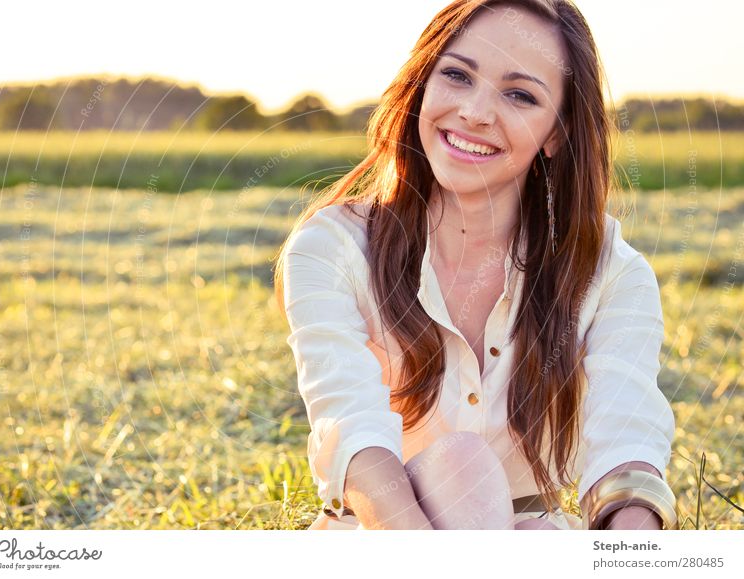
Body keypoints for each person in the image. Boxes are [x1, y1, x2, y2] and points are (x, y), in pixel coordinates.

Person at [273, 0, 676, 531]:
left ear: (556, 133)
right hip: (383, 539)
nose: (476, 112)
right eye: (457, 76)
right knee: (459, 466)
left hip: (529, 538)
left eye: (519, 94)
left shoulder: (610, 272)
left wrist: (635, 553)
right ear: (423, 86)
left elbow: (627, 434)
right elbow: (352, 431)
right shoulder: (334, 247)